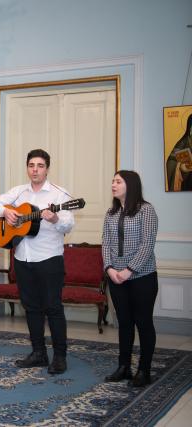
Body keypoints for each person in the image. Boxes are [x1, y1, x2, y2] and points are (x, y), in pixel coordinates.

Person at [0, 149, 74, 374]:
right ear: (27, 167)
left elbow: (68, 224)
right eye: (31, 165)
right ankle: (38, 353)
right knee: (31, 308)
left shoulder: (58, 194)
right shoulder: (19, 192)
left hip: (48, 258)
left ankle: (60, 357)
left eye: (40, 165)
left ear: (47, 168)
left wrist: (55, 218)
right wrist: (6, 212)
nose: (35, 170)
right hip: (22, 258)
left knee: (53, 308)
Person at [102, 170, 158, 387]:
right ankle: (124, 367)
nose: (113, 185)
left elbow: (147, 244)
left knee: (143, 323)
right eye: (113, 181)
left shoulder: (146, 210)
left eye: (118, 181)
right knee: (124, 323)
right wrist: (109, 269)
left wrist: (129, 271)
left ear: (131, 185)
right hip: (115, 278)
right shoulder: (111, 213)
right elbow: (105, 243)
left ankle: (144, 370)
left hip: (142, 276)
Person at [166, 113, 192, 191]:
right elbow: (171, 162)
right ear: (190, 128)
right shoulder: (183, 143)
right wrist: (181, 167)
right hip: (187, 183)